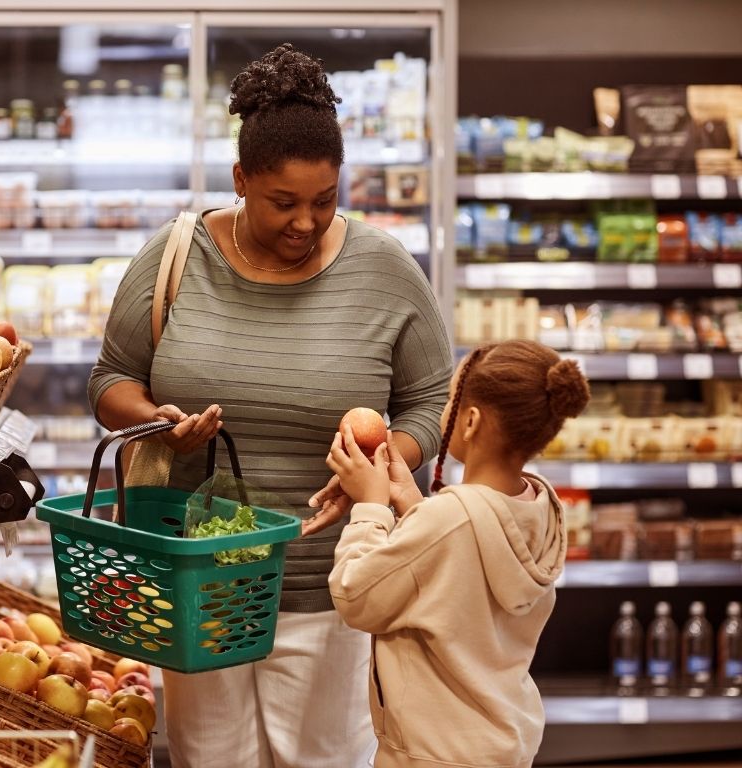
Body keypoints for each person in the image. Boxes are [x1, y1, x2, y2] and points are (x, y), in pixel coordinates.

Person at [88, 43, 452, 768]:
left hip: (332, 588)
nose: (305, 222)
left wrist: (380, 467)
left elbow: (431, 402)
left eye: (325, 200)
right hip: (200, 583)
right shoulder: (175, 256)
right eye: (283, 202)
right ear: (241, 180)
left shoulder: (384, 270)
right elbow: (111, 381)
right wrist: (159, 422)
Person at [324, 340, 590, 768]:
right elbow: (464, 555)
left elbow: (355, 595)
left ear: (470, 420)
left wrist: (371, 507)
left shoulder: (448, 520)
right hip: (499, 740)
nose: (444, 409)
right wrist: (412, 504)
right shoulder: (540, 507)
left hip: (432, 752)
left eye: (450, 399)